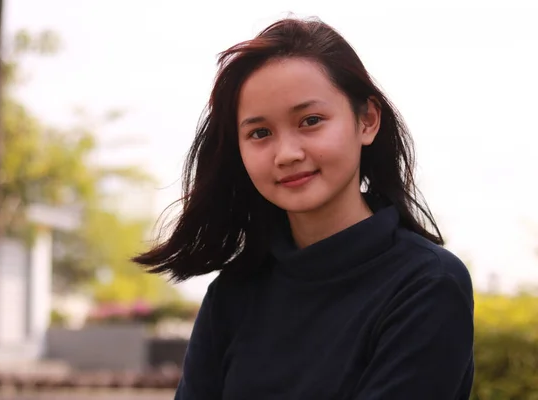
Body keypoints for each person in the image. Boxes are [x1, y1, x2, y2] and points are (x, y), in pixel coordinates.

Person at [134, 17, 474, 400]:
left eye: (311, 121)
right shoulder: (231, 296)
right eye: (260, 133)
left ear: (367, 120)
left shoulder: (427, 285)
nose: (287, 154)